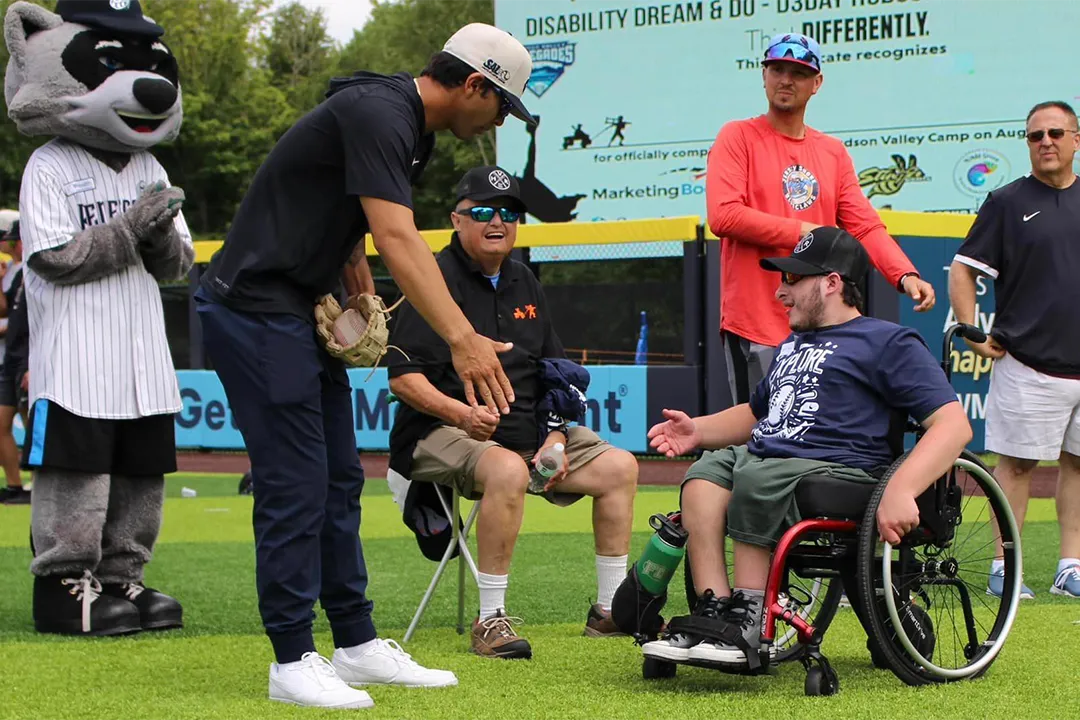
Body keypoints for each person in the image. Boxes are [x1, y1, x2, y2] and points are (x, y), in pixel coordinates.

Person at [195, 23, 538, 709]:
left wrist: (356, 292)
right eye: (501, 104)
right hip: (254, 306)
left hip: (294, 307)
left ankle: (353, 643)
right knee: (295, 482)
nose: (499, 118)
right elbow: (395, 234)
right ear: (474, 84)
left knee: (340, 477)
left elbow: (352, 227)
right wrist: (463, 338)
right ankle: (292, 657)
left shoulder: (410, 129)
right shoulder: (383, 113)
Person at [642, 227, 971, 667]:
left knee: (756, 475)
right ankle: (717, 612)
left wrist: (901, 488)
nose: (781, 292)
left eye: (793, 280)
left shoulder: (889, 342)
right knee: (705, 475)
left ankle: (749, 620)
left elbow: (953, 425)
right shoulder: (792, 344)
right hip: (775, 459)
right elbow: (758, 415)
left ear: (832, 283)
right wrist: (697, 431)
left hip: (843, 470)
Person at [387, 166, 639, 660]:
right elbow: (403, 379)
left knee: (621, 467)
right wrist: (460, 414)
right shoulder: (431, 277)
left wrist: (557, 436)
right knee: (504, 468)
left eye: (508, 212)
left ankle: (609, 610)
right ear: (456, 220)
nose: (496, 221)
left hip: (529, 433)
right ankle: (491, 621)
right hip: (440, 430)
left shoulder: (524, 278)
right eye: (482, 212)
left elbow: (555, 371)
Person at [706, 32, 937, 406]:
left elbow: (863, 224)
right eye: (777, 69)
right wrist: (805, 231)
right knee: (759, 437)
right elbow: (724, 216)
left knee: (815, 436)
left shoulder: (832, 152)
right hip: (756, 321)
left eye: (798, 72)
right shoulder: (737, 136)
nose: (785, 79)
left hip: (819, 321)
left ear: (816, 84)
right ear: (763, 75)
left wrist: (904, 274)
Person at [948, 100, 1080, 601]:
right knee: (1018, 468)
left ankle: (1071, 567)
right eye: (1033, 136)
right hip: (1028, 363)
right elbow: (963, 270)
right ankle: (1006, 569)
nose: (1044, 141)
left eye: (1054, 133)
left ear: (1075, 140)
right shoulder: (1006, 201)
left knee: (1078, 466)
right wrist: (972, 332)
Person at [0, 220, 29, 505]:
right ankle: (14, 486)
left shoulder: (35, 271)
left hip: (26, 358)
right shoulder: (12, 273)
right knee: (2, 425)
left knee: (31, 423)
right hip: (11, 358)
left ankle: (45, 483)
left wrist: (33, 363)